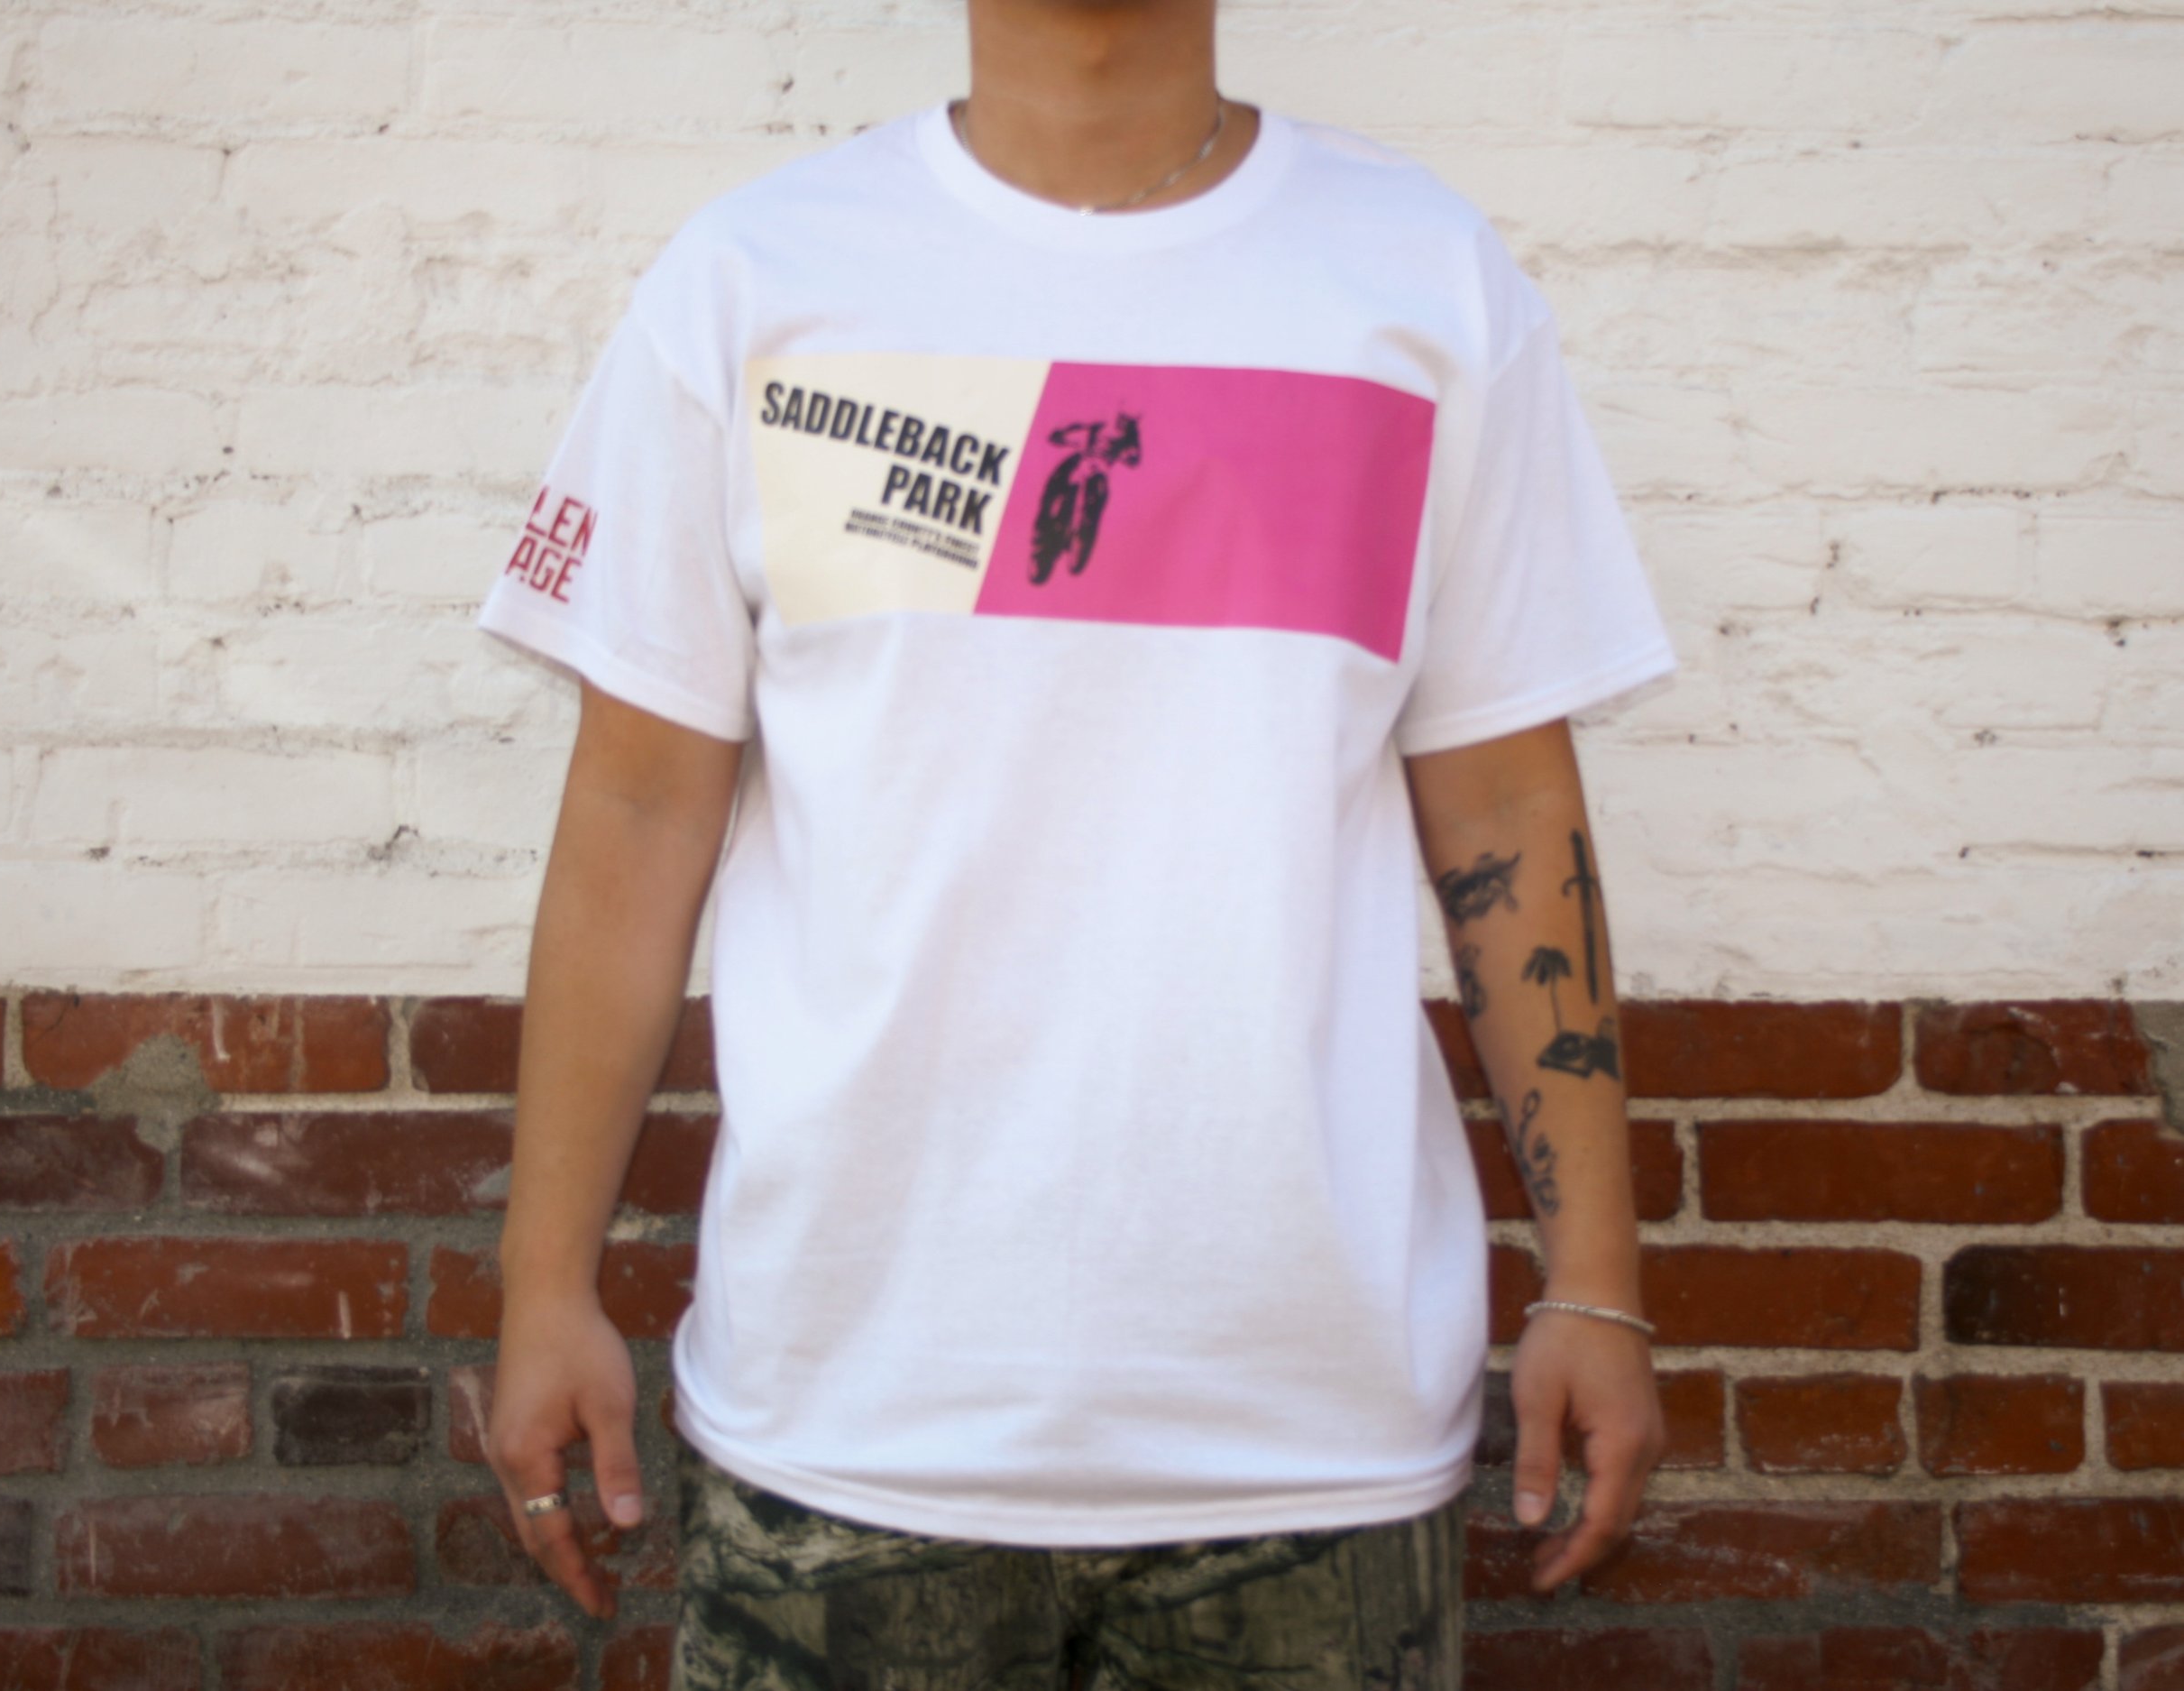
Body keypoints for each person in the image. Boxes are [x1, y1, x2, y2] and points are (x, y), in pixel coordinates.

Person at [474, 0, 1678, 1684]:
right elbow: (634, 810)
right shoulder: (754, 281)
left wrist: (1596, 1283)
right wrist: (545, 1286)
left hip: (1308, 1432)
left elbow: (1506, 809)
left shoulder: (1423, 281)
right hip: (845, 1422)